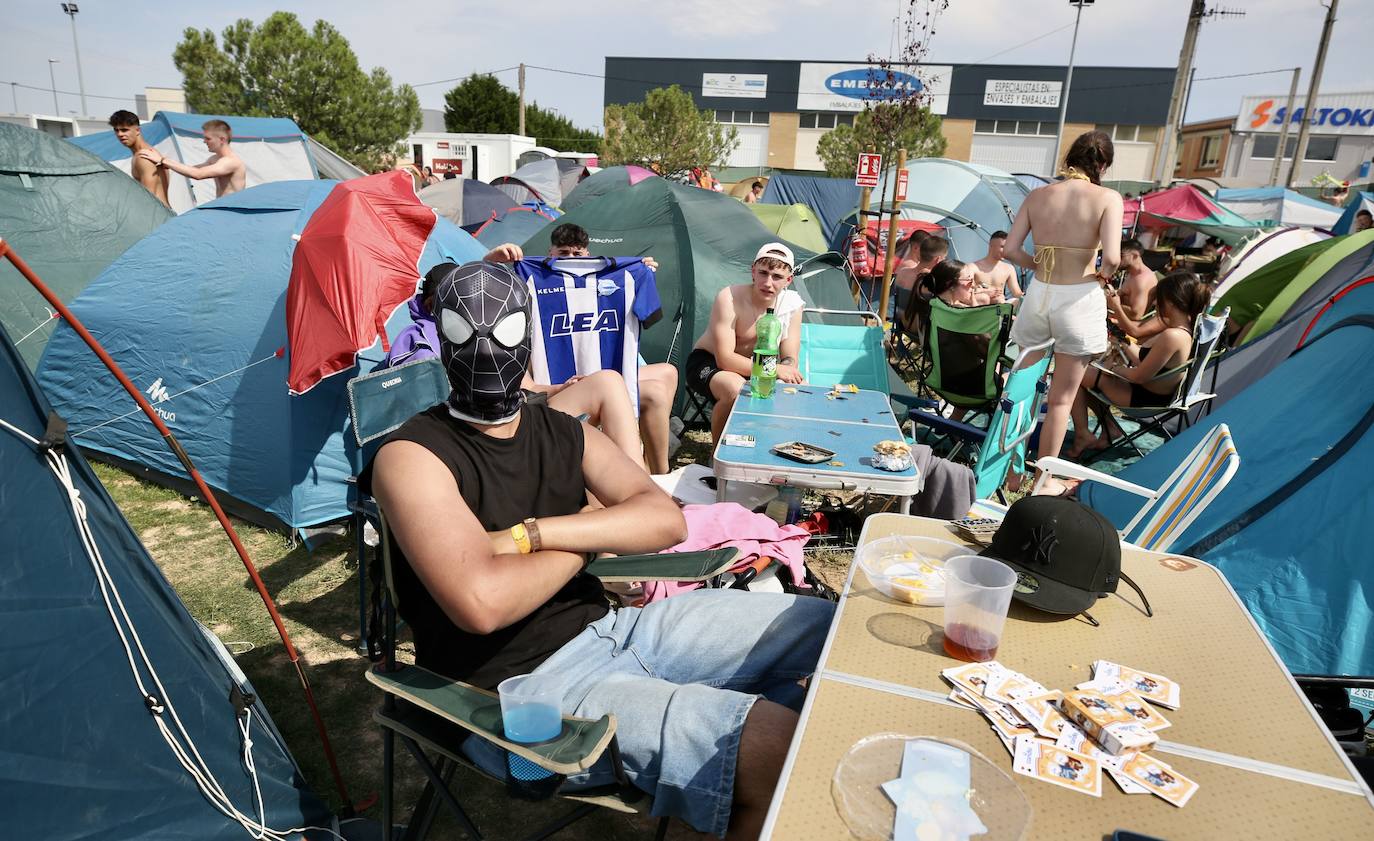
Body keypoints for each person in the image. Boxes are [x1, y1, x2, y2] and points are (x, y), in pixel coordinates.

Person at [362, 260, 833, 839]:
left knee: (826, 628)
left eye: (504, 331)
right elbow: (481, 602)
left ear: (529, 334)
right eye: (465, 332)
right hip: (517, 693)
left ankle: (714, 792)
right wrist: (595, 531)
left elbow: (663, 520)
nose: (485, 349)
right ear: (442, 338)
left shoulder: (560, 429)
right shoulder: (411, 455)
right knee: (777, 751)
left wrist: (533, 535)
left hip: (618, 632)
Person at [384, 259, 647, 471]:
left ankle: (639, 483)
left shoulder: (496, 332)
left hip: (520, 412)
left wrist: (561, 387)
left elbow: (529, 386)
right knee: (608, 383)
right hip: (474, 430)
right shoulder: (419, 341)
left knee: (607, 381)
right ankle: (638, 485)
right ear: (435, 305)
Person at [1003, 130, 1123, 495]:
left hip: (1040, 293)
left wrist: (1037, 264)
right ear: (1102, 164)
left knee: (1022, 390)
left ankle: (1010, 471)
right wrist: (1103, 277)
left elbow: (1009, 249)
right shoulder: (1107, 198)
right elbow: (1114, 258)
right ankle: (1041, 480)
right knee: (1061, 399)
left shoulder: (1039, 195)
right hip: (1079, 295)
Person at [509, 224, 678, 474]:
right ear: (550, 252)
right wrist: (495, 260)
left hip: (606, 375)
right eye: (563, 253)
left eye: (577, 255)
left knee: (668, 372)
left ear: (587, 254)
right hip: (564, 388)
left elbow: (649, 316)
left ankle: (659, 468)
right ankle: (646, 467)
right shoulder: (530, 277)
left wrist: (644, 275)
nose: (570, 259)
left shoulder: (629, 276)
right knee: (654, 392)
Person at [1065, 271, 1209, 459]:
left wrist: (1112, 369)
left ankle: (1084, 435)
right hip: (1151, 391)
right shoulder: (1183, 331)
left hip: (1145, 398)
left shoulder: (1172, 336)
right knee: (1085, 375)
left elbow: (1139, 375)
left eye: (1159, 299)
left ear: (1172, 302)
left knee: (1073, 375)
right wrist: (1123, 342)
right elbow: (1145, 360)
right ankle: (1109, 428)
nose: (1156, 304)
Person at [688, 243, 806, 443]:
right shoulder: (730, 297)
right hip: (709, 363)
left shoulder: (792, 305)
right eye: (763, 273)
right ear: (753, 271)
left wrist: (784, 369)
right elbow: (724, 359)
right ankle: (717, 458)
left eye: (777, 277)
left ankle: (767, 450)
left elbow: (789, 357)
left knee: (797, 389)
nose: (768, 283)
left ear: (789, 280)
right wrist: (774, 370)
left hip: (756, 367)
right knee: (736, 390)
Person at [137, 119, 245, 198]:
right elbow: (190, 169)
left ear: (222, 139)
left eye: (208, 138)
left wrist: (163, 160)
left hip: (232, 215)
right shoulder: (214, 159)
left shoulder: (231, 162)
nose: (204, 141)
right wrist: (164, 164)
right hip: (223, 211)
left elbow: (198, 174)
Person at [108, 110, 169, 208]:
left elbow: (148, 200)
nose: (120, 134)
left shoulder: (144, 157)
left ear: (137, 130)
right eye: (116, 130)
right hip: (161, 214)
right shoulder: (145, 153)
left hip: (158, 216)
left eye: (124, 130)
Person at [972, 231, 1022, 302]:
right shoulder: (973, 267)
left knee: (1016, 301)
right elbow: (966, 292)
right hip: (980, 307)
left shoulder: (1009, 268)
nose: (1005, 251)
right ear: (991, 246)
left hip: (1000, 307)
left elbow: (1017, 293)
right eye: (1002, 247)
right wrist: (985, 291)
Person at [1117, 239, 1158, 321]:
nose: (1117, 259)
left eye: (1121, 255)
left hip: (1130, 329)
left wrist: (1111, 303)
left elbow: (1136, 315)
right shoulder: (1132, 274)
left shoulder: (1142, 280)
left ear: (1135, 255)